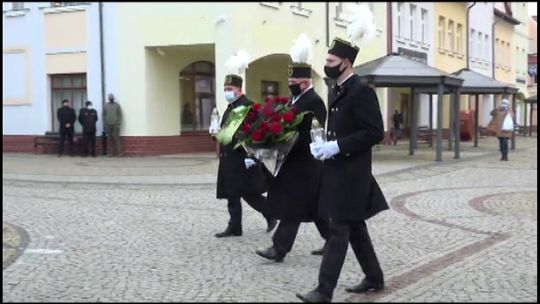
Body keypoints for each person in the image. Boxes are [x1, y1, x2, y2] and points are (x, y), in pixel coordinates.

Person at [296, 36, 389, 302]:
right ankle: (374, 277)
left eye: (330, 61)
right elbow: (340, 128)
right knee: (355, 228)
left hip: (353, 174)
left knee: (338, 230)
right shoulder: (337, 88)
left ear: (345, 63)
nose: (326, 65)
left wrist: (338, 146)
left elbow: (374, 132)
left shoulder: (361, 91)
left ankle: (324, 291)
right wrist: (324, 145)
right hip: (338, 171)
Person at [253, 34, 329, 263]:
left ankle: (279, 249)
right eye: (290, 83)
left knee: (293, 208)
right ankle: (334, 238)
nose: (291, 86)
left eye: (294, 83)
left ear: (305, 82)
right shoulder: (290, 102)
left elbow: (314, 132)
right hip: (291, 163)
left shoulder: (314, 102)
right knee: (315, 209)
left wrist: (287, 139)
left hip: (305, 164)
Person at [214, 70, 277, 238]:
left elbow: (255, 132)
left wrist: (252, 156)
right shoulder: (231, 107)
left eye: (230, 88)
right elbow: (226, 131)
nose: (227, 91)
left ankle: (270, 213)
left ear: (238, 89)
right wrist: (217, 133)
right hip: (229, 156)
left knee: (249, 193)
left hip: (242, 157)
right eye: (225, 88)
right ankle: (234, 226)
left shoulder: (248, 107)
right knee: (231, 193)